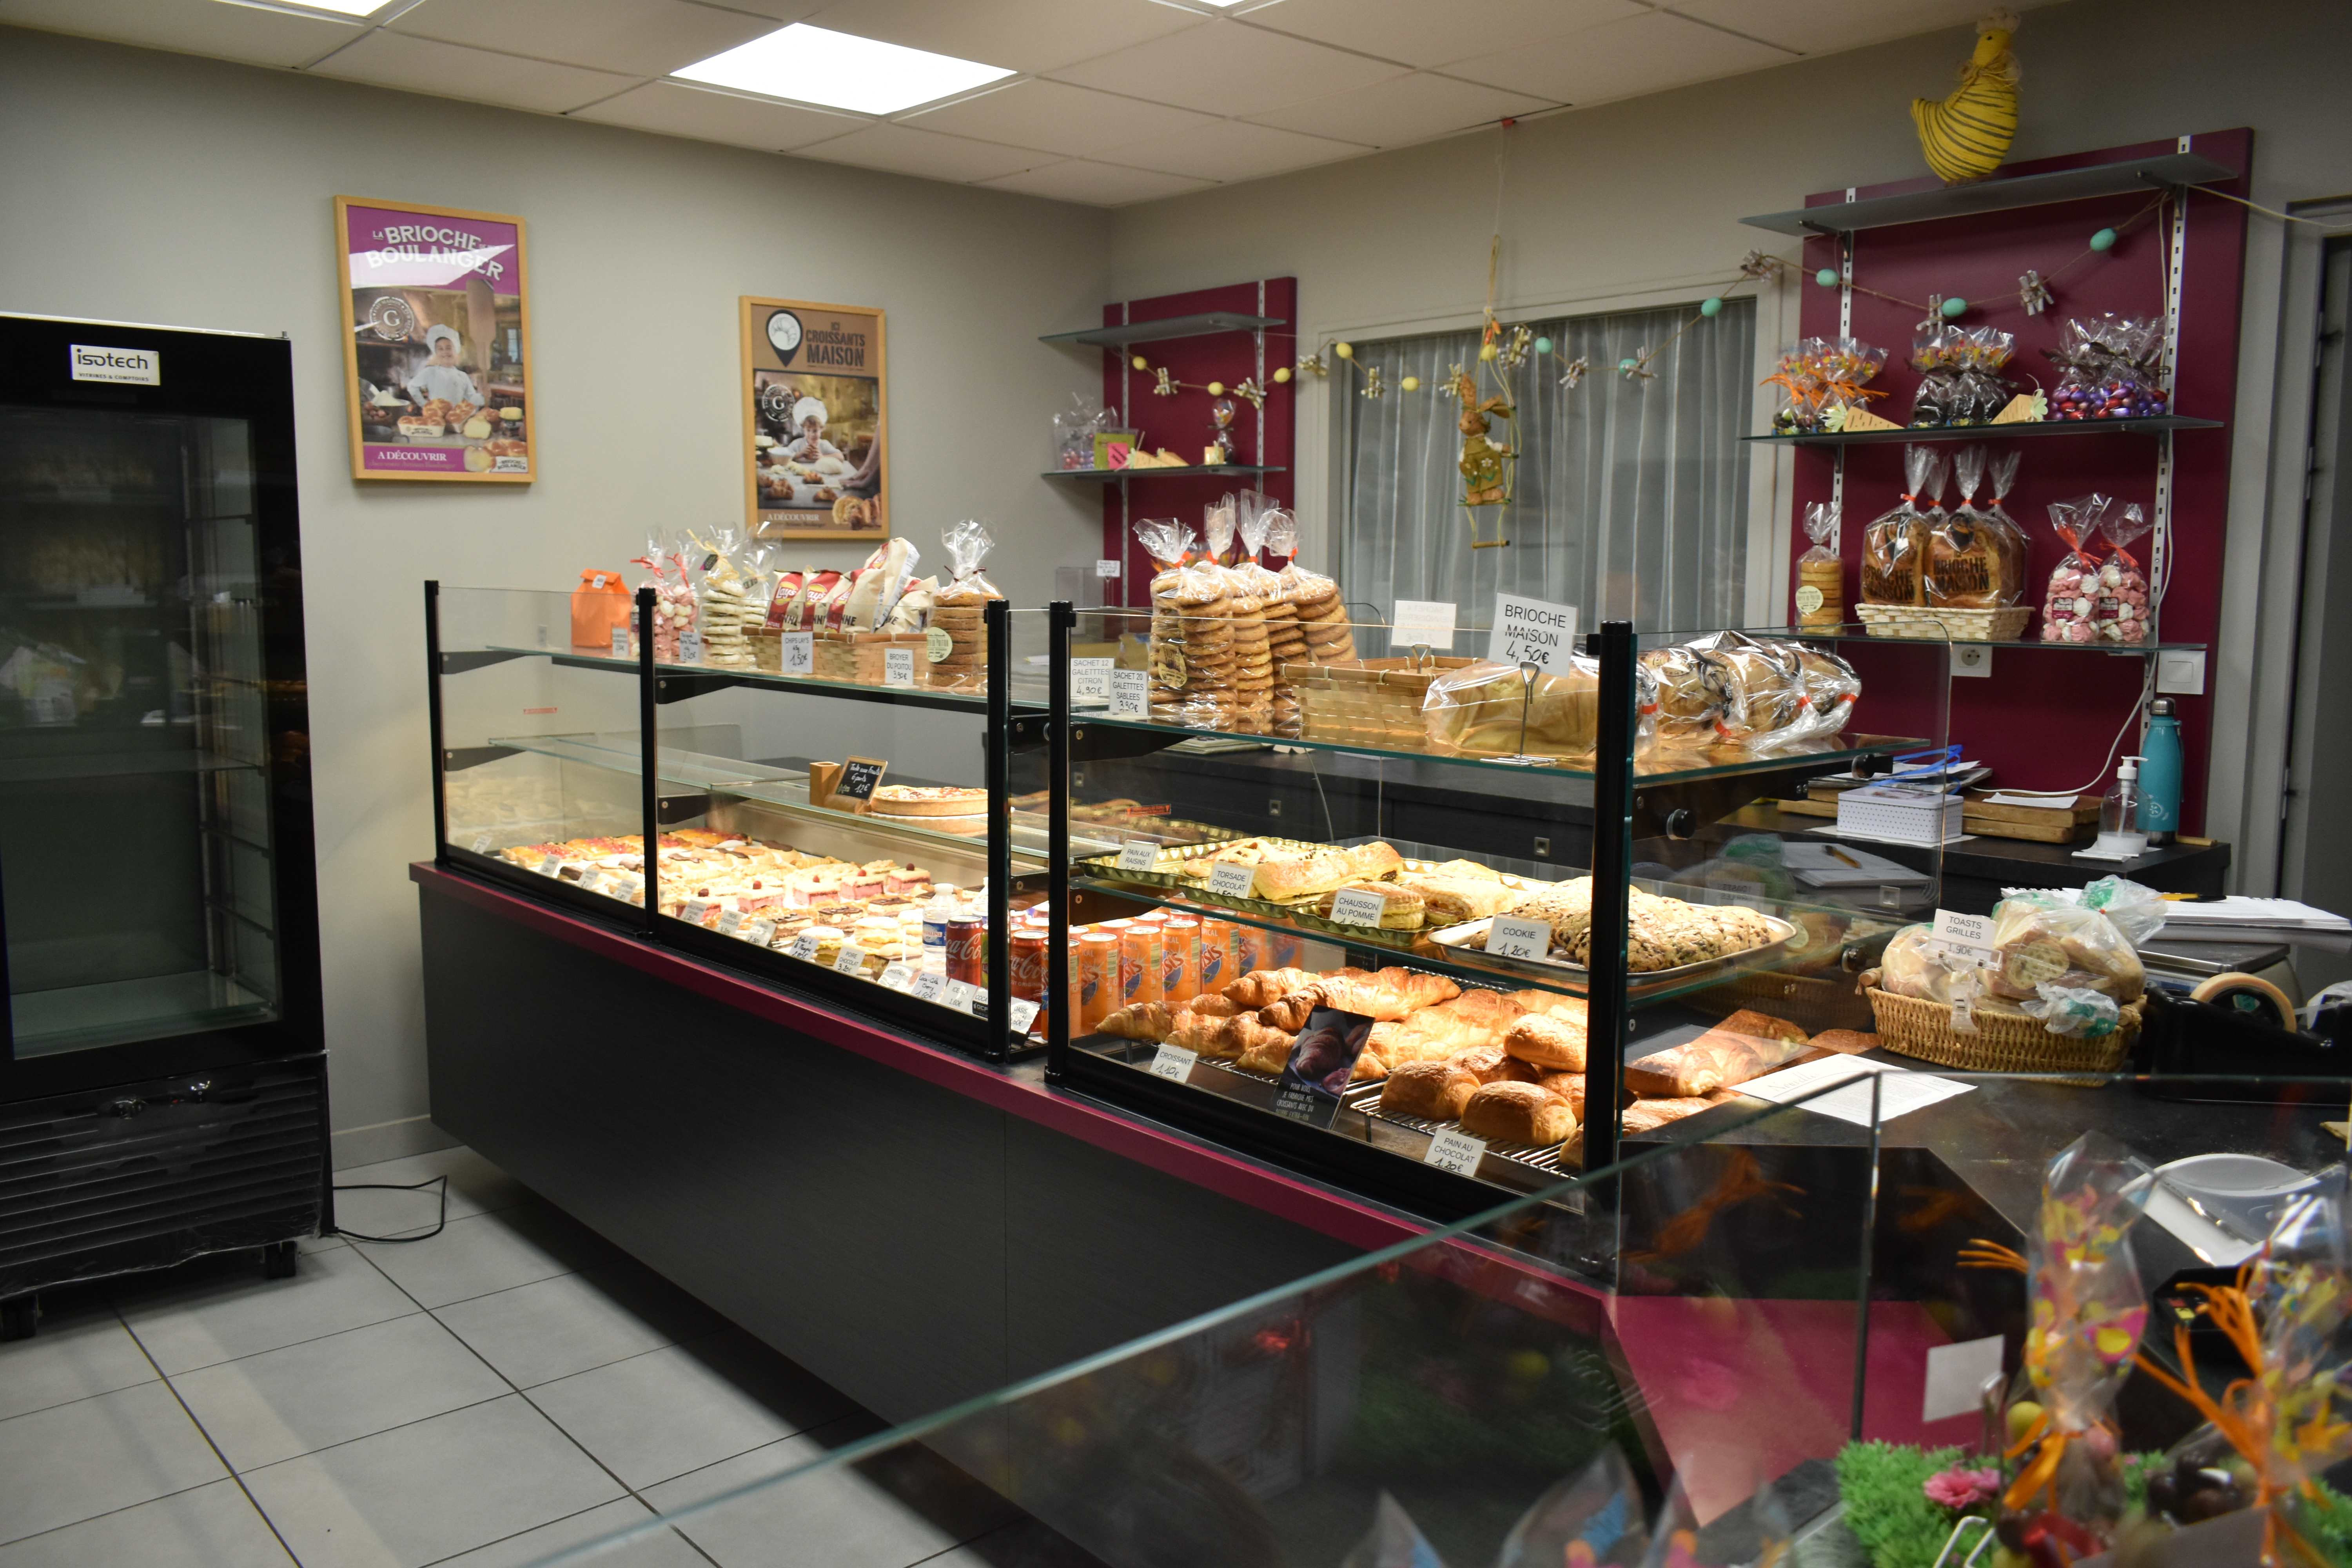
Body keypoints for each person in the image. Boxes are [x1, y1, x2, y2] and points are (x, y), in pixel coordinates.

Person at [407, 324, 483, 407]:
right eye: (440, 349)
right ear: (436, 352)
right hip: (436, 417)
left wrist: (484, 397)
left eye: (449, 348)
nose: (445, 352)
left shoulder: (463, 376)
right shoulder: (430, 372)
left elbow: (472, 398)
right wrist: (424, 405)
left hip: (456, 417)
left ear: (456, 349)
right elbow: (412, 386)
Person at [780, 396, 844, 467]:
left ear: (822, 429)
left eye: (815, 431)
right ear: (804, 429)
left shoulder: (824, 445)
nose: (812, 434)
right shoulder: (797, 444)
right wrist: (800, 455)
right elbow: (784, 456)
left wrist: (823, 457)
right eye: (808, 430)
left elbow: (841, 457)